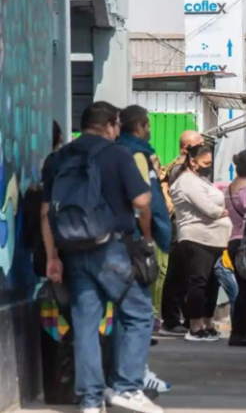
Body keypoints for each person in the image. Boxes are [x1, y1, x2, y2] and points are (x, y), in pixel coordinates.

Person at [42, 102, 163, 413]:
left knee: (84, 324)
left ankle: (91, 400)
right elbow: (141, 200)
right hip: (110, 249)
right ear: (111, 125)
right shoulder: (117, 154)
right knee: (138, 314)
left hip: (70, 250)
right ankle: (127, 386)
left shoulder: (59, 158)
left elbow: (46, 213)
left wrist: (51, 257)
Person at [117, 106, 173, 395]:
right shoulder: (136, 155)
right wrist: (150, 239)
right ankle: (133, 379)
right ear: (139, 126)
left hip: (117, 243)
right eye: (148, 125)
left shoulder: (117, 153)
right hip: (135, 243)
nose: (149, 130)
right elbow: (143, 202)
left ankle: (128, 375)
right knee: (138, 314)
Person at [170, 144, 233, 342]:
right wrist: (221, 211)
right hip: (197, 238)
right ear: (192, 161)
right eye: (205, 163)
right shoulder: (186, 181)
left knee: (212, 284)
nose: (208, 167)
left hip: (214, 239)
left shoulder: (200, 180)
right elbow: (209, 209)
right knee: (198, 281)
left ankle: (207, 323)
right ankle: (195, 325)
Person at [159, 130, 204, 337]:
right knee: (176, 275)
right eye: (199, 144)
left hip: (188, 228)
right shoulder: (179, 169)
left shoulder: (189, 168)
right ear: (186, 148)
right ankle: (170, 319)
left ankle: (184, 318)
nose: (203, 146)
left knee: (186, 275)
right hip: (179, 229)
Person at [214, 149, 246, 347]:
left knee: (244, 289)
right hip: (245, 241)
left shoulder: (230, 188)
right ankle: (241, 331)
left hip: (233, 240)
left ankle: (240, 330)